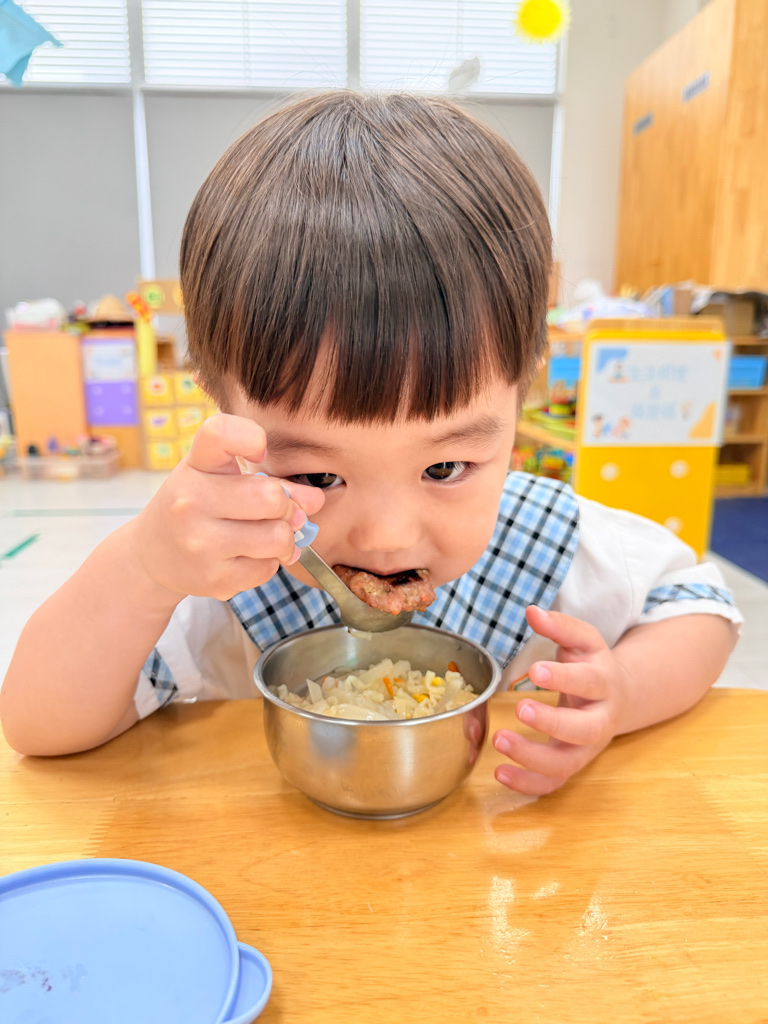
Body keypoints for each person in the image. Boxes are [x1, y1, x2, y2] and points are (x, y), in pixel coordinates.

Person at [0, 92, 741, 796]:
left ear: (522, 396)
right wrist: (141, 569)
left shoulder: (545, 537)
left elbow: (701, 605)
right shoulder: (225, 565)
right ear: (222, 410)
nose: (387, 536)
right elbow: (38, 728)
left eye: (445, 466)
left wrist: (625, 691)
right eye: (317, 474)